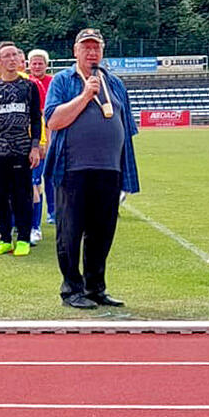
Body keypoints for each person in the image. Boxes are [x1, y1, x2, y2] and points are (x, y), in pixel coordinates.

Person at [44, 28, 140, 309]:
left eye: (96, 47)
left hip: (109, 169)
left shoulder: (115, 83)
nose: (91, 52)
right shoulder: (63, 81)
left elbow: (126, 126)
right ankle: (71, 289)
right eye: (86, 47)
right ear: (75, 51)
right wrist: (86, 95)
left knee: (102, 231)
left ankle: (95, 287)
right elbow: (53, 120)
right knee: (70, 231)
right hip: (72, 169)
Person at [0, 43, 43, 257]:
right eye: (7, 55)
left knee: (22, 196)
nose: (12, 59)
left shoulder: (29, 87)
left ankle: (23, 238)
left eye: (15, 55)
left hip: (22, 150)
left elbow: (36, 119)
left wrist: (35, 146)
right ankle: (5, 239)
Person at [27, 48, 56, 239]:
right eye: (34, 63)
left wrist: (49, 139)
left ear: (46, 65)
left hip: (51, 135)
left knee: (51, 178)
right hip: (34, 139)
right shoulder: (26, 82)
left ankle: (53, 212)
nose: (37, 66)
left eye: (40, 63)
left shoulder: (53, 82)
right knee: (34, 181)